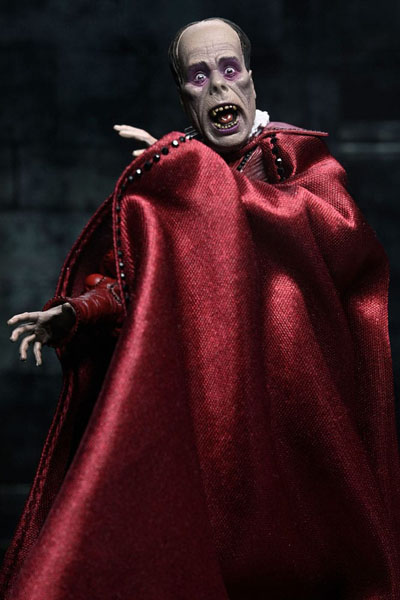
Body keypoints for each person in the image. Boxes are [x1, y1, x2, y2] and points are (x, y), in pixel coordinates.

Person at [3, 17, 400, 600]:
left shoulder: (296, 165)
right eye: (198, 76)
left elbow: (329, 232)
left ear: (251, 82)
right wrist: (77, 312)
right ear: (184, 97)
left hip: (297, 415)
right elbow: (134, 283)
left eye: (229, 69)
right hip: (209, 412)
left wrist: (197, 175)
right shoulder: (172, 181)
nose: (218, 86)